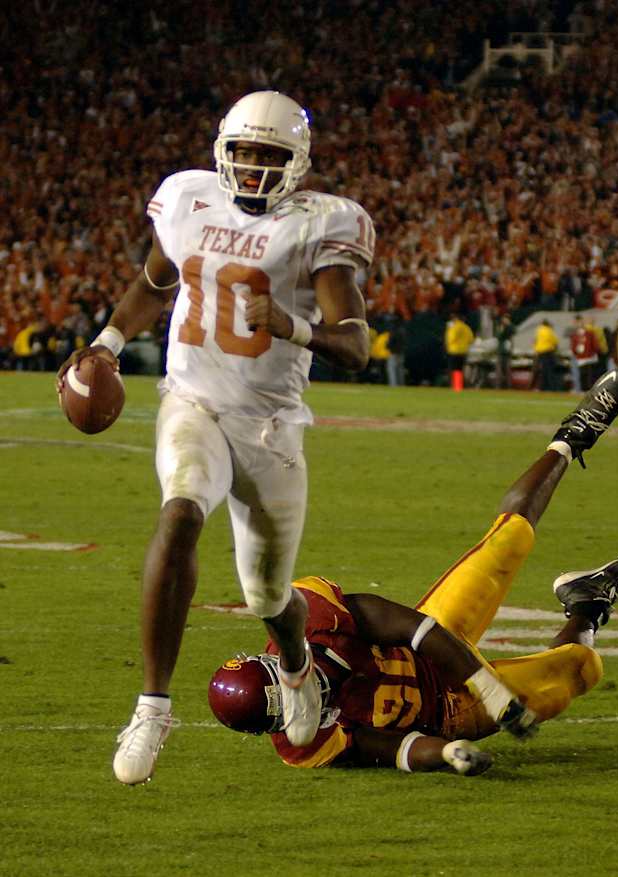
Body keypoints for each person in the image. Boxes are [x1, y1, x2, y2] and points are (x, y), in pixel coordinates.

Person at [56, 91, 374, 785]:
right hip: (192, 402)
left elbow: (355, 345)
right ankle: (151, 704)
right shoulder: (186, 199)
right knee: (180, 511)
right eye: (246, 153)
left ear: (297, 162)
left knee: (267, 595)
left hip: (270, 425)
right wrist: (107, 344)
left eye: (271, 156)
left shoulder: (322, 224)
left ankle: (296, 664)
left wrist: (290, 325)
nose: (256, 169)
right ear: (222, 153)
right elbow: (151, 283)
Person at [209, 369, 618, 775]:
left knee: (505, 541)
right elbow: (389, 748)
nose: (299, 704)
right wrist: (446, 751)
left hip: (432, 640)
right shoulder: (301, 744)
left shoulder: (313, 620)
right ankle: (587, 605)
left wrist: (491, 690)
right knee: (581, 668)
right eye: (285, 712)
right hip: (452, 712)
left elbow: (411, 625)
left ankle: (573, 435)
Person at [531, 318, 559, 391]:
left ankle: (540, 387)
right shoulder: (549, 331)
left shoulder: (538, 330)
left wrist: (536, 350)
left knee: (540, 371)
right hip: (548, 352)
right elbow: (555, 342)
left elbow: (535, 341)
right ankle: (551, 387)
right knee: (549, 371)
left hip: (539, 353)